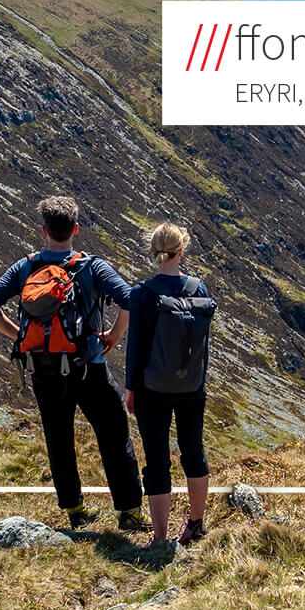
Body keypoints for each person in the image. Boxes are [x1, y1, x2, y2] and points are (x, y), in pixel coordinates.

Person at [0, 195, 148, 532]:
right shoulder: (91, 266)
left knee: (58, 437)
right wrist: (113, 334)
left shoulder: (26, 267)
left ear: (44, 231)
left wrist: (19, 336)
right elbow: (130, 299)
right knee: (113, 433)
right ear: (76, 228)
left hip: (43, 367)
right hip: (88, 366)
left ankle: (75, 509)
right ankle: (129, 511)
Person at [125, 220, 214, 558]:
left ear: (152, 251)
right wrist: (199, 380)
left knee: (157, 460)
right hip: (192, 386)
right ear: (182, 250)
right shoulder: (199, 290)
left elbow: (136, 348)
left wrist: (131, 389)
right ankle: (195, 523)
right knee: (194, 451)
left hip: (152, 389)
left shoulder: (142, 294)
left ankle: (160, 538)